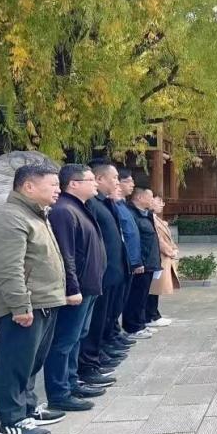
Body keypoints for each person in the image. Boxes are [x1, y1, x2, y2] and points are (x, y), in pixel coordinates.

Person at [0, 165, 68, 434]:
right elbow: (8, 268)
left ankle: (28, 407)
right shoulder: (9, 217)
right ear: (29, 186)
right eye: (53, 184)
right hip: (25, 306)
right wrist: (19, 306)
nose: (58, 190)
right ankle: (12, 421)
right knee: (14, 363)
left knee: (31, 362)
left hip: (44, 301)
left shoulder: (36, 215)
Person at [44, 164, 108, 412]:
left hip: (89, 285)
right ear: (73, 184)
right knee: (64, 341)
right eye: (91, 180)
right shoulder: (63, 211)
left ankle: (72, 382)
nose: (95, 183)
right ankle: (59, 392)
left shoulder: (79, 207)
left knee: (77, 336)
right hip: (77, 288)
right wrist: (72, 287)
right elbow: (66, 254)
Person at [79, 161, 130, 386]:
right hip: (99, 275)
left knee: (104, 318)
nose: (117, 182)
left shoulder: (105, 203)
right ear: (99, 179)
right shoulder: (91, 205)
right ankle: (88, 364)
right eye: (114, 178)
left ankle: (98, 354)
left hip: (112, 272)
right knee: (93, 322)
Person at [113, 170, 148, 346]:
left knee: (118, 303)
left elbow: (132, 236)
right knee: (115, 304)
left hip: (130, 262)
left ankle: (114, 337)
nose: (132, 185)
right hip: (119, 264)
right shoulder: (113, 207)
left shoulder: (122, 206)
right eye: (128, 181)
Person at [123, 187, 161, 336]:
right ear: (139, 198)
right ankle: (133, 327)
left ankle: (141, 323)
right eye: (149, 197)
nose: (152, 200)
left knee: (142, 296)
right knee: (135, 297)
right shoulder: (132, 214)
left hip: (149, 261)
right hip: (141, 263)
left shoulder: (146, 214)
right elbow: (134, 240)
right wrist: (137, 261)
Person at [149, 195, 180, 326]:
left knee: (155, 289)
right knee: (152, 288)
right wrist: (170, 251)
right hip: (157, 256)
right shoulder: (150, 219)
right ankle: (151, 315)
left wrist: (174, 248)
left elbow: (167, 238)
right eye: (159, 201)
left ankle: (153, 314)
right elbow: (158, 240)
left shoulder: (156, 218)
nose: (162, 204)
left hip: (162, 257)